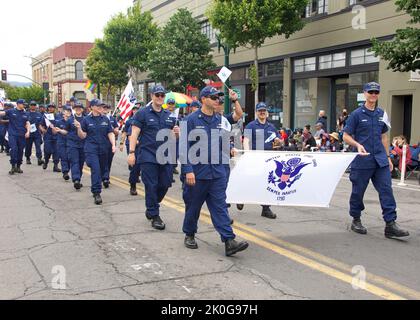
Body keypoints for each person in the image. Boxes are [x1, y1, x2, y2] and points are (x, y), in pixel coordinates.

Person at [181, 86, 249, 256]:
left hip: (217, 172)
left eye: (218, 97)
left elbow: (238, 117)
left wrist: (235, 100)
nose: (217, 100)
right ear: (203, 99)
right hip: (197, 173)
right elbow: (183, 147)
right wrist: (188, 170)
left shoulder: (221, 120)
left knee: (220, 207)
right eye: (213, 97)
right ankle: (189, 234)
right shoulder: (191, 120)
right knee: (193, 206)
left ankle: (229, 241)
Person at [343, 82, 409, 239]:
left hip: (380, 160)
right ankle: (356, 219)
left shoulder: (382, 114)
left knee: (386, 190)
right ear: (365, 93)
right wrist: (357, 145)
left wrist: (387, 157)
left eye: (376, 92)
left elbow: (384, 136)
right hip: (362, 160)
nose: (373, 95)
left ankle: (390, 224)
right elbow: (346, 135)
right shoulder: (356, 114)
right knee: (358, 192)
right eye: (370, 92)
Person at [127, 85, 179, 230]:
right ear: (151, 96)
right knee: (151, 185)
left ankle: (152, 206)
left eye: (162, 95)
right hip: (148, 155)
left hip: (165, 156)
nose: (160, 97)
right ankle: (154, 215)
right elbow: (134, 134)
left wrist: (176, 134)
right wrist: (131, 153)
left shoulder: (169, 116)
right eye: (157, 95)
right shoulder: (142, 113)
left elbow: (172, 137)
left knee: (165, 184)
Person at [239, 102, 281, 219]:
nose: (262, 112)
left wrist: (279, 141)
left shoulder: (271, 127)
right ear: (257, 112)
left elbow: (278, 139)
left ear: (266, 113)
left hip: (268, 159)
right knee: (251, 180)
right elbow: (246, 140)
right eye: (260, 111)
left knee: (267, 182)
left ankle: (266, 209)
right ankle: (241, 197)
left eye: (264, 110)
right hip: (255, 157)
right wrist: (247, 154)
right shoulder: (251, 125)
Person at [74, 99, 116, 205]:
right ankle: (97, 192)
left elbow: (110, 133)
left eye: (102, 106)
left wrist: (113, 145)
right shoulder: (86, 120)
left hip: (103, 149)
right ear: (92, 107)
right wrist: (79, 128)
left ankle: (97, 186)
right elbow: (82, 135)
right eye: (98, 106)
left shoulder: (105, 119)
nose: (101, 108)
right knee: (96, 170)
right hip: (91, 149)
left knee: (101, 171)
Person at [0, 99, 30, 174]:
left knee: (20, 151)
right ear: (18, 104)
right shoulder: (11, 111)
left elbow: (27, 123)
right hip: (13, 134)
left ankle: (18, 166)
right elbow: (2, 113)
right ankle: (13, 166)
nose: (24, 105)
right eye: (23, 104)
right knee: (13, 149)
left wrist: (28, 131)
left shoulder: (25, 113)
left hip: (22, 135)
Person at [120, 104, 141, 195]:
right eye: (134, 109)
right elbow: (127, 133)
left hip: (145, 147)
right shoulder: (130, 121)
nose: (135, 111)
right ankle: (133, 185)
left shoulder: (144, 120)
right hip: (133, 145)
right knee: (134, 166)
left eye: (137, 109)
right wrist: (121, 143)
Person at [65, 102, 85, 190]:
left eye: (80, 107)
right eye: (76, 108)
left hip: (83, 144)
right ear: (74, 109)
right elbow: (66, 130)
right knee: (74, 161)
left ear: (82, 109)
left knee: (80, 163)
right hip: (72, 144)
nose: (78, 109)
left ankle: (78, 179)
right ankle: (76, 179)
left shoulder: (86, 119)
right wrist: (58, 130)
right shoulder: (70, 120)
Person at [102, 104, 119, 188]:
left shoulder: (112, 119)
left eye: (107, 108)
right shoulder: (100, 118)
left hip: (111, 142)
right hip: (102, 143)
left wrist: (112, 129)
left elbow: (117, 131)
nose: (105, 109)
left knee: (109, 160)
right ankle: (105, 177)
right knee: (103, 160)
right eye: (104, 108)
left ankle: (106, 175)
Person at [40, 103, 61, 172]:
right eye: (50, 107)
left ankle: (55, 166)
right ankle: (46, 162)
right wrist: (43, 129)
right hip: (48, 136)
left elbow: (61, 125)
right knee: (47, 151)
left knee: (56, 152)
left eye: (52, 107)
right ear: (48, 108)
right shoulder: (45, 116)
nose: (51, 108)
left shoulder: (58, 116)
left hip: (56, 136)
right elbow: (40, 125)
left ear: (55, 108)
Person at [53, 105, 72, 181]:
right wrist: (54, 129)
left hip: (70, 142)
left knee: (69, 158)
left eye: (69, 111)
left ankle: (67, 170)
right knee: (63, 157)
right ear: (63, 112)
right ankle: (65, 172)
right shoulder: (59, 122)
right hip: (61, 142)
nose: (68, 112)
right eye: (66, 111)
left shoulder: (72, 121)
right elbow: (54, 132)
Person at [24, 101, 44, 166]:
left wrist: (42, 131)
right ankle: (27, 158)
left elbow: (41, 124)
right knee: (28, 147)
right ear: (29, 106)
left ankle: (39, 159)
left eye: (34, 105)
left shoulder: (39, 114)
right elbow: (24, 123)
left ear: (36, 106)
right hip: (29, 133)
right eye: (32, 105)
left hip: (37, 133)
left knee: (38, 146)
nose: (33, 106)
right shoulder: (26, 114)